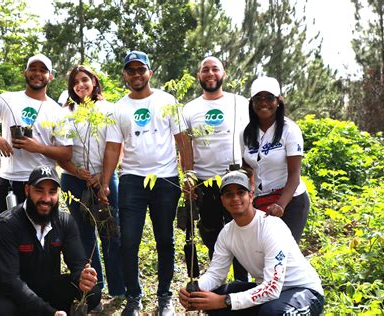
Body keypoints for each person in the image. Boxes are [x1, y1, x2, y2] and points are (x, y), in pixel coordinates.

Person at [99, 50, 189, 316]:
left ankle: (164, 297)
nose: (136, 75)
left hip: (165, 179)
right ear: (125, 75)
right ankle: (133, 298)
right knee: (128, 241)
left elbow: (182, 140)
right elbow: (113, 148)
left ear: (150, 72)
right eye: (131, 70)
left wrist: (189, 175)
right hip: (132, 181)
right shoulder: (119, 108)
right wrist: (105, 182)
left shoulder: (167, 100)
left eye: (141, 69)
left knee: (165, 239)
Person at [178, 170, 325, 315]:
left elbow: (272, 287)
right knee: (209, 298)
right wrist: (194, 289)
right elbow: (216, 274)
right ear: (222, 200)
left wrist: (226, 300)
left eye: (240, 192)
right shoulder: (227, 233)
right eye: (229, 194)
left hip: (302, 291)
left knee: (273, 313)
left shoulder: (271, 226)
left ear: (250, 195)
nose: (235, 198)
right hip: (267, 292)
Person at [0, 165, 101, 315]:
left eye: (52, 192)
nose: (46, 199)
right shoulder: (5, 225)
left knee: (93, 292)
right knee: (3, 310)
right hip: (10, 292)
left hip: (46, 287)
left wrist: (83, 278)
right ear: (27, 190)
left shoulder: (65, 222)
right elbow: (10, 280)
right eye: (39, 190)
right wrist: (49, 312)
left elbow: (78, 263)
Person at [0, 54, 72, 214]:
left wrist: (38, 148)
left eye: (43, 70)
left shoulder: (58, 111)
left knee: (40, 233)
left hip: (42, 182)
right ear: (25, 73)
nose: (37, 73)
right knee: (8, 231)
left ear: (50, 77)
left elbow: (67, 153)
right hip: (9, 178)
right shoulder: (7, 99)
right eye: (33, 69)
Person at [59, 65, 125, 299]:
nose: (80, 85)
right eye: (75, 82)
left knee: (110, 233)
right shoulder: (66, 111)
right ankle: (95, 288)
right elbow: (61, 151)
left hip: (104, 178)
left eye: (85, 80)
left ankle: (119, 289)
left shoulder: (108, 109)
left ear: (94, 82)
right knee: (84, 235)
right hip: (73, 180)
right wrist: (77, 172)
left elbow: (114, 147)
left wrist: (103, 180)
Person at [181, 56, 249, 280]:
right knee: (212, 236)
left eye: (215, 69)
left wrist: (252, 174)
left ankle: (242, 282)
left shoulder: (240, 102)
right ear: (198, 76)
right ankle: (217, 284)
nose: (210, 74)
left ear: (224, 74)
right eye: (205, 70)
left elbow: (251, 139)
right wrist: (188, 177)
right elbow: (186, 147)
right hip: (204, 181)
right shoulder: (190, 108)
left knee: (242, 232)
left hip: (235, 179)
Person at [241, 76, 309, 243]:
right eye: (258, 98)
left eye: (269, 98)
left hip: (290, 201)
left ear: (279, 101)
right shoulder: (246, 133)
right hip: (261, 202)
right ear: (252, 102)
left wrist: (281, 206)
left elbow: (294, 176)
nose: (264, 103)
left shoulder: (289, 130)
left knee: (284, 253)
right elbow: (247, 167)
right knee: (263, 253)